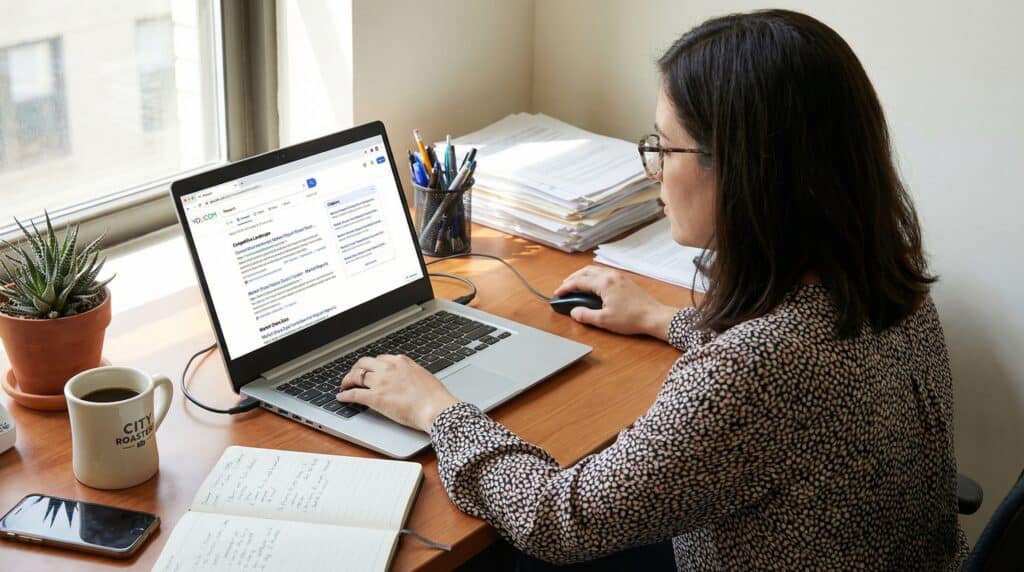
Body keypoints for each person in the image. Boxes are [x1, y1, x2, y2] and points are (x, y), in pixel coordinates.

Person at [337, 9, 968, 570]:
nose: (655, 170)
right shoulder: (889, 284)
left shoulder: (750, 371)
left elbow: (559, 518)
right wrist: (665, 319)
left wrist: (437, 412)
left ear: (744, 170)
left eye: (664, 147)